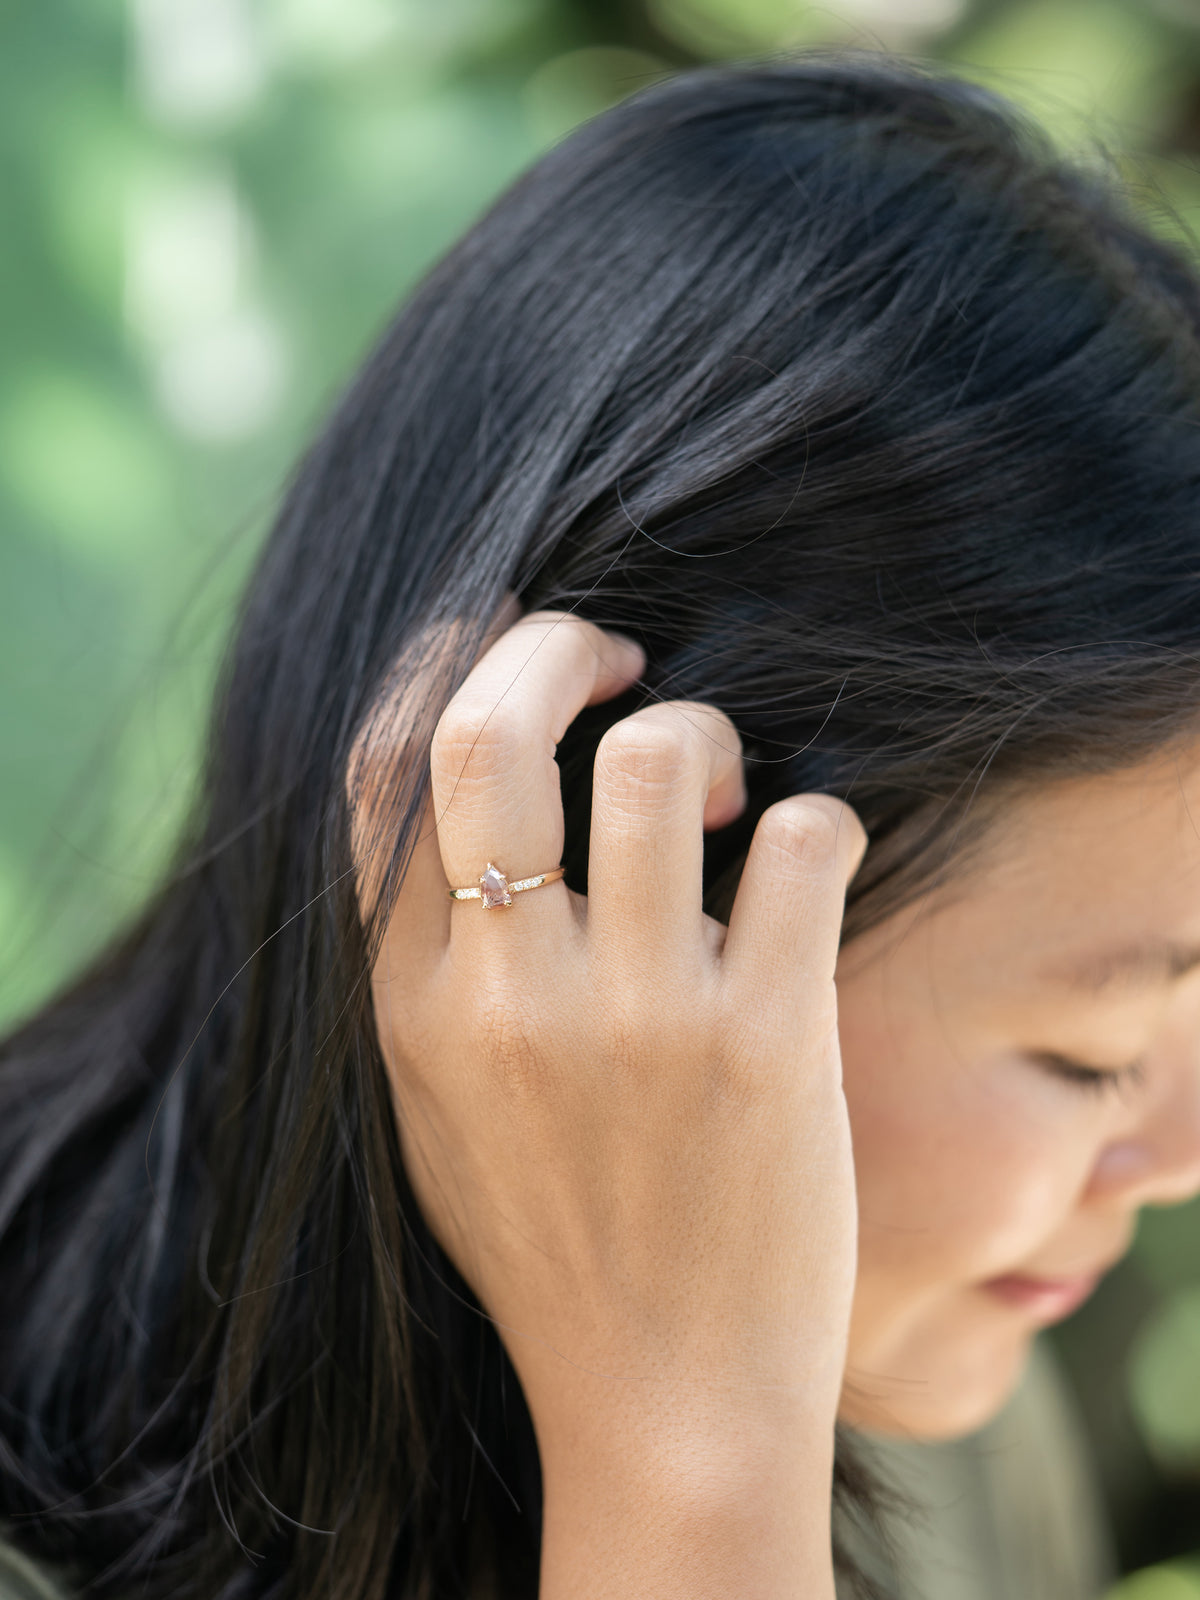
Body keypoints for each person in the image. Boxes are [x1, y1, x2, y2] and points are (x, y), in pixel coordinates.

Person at [2, 47, 1200, 1600]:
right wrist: (689, 1454)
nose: (1177, 1157)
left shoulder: (916, 1418)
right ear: (590, 886)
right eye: (1086, 1054)